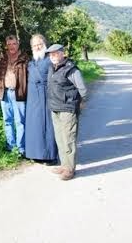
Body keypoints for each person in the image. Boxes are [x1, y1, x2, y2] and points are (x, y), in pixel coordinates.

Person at [46, 43, 87, 180]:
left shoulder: (71, 69)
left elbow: (83, 90)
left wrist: (79, 103)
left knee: (68, 138)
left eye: (56, 53)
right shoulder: (52, 68)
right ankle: (64, 165)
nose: (53, 56)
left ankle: (70, 169)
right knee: (60, 138)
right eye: (51, 55)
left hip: (68, 109)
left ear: (63, 53)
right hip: (55, 108)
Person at [0, 35, 29, 155]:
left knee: (20, 121)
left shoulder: (25, 58)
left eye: (14, 44)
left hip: (19, 94)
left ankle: (21, 149)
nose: (12, 46)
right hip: (4, 92)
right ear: (6, 45)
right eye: (9, 44)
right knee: (7, 120)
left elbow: (30, 77)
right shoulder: (2, 58)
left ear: (18, 44)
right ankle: (10, 146)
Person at [25, 34, 58, 163]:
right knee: (35, 125)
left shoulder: (50, 59)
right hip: (33, 97)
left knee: (48, 125)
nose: (37, 47)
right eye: (34, 45)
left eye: (39, 44)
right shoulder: (31, 62)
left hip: (46, 95)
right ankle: (36, 154)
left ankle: (50, 156)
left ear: (44, 44)